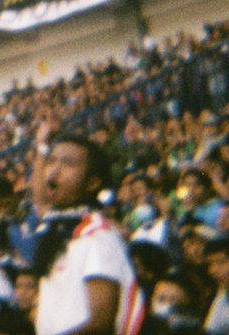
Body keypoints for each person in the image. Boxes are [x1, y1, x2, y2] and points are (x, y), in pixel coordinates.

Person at [30, 129, 144, 335]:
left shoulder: (98, 236)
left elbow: (100, 322)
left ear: (92, 183)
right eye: (52, 161)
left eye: (67, 164)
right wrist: (41, 146)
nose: (54, 170)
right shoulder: (62, 226)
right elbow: (40, 201)